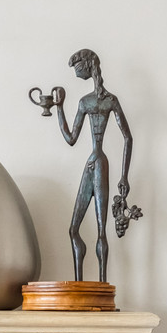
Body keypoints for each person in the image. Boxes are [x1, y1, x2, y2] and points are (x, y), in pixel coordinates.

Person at [53, 49, 132, 283]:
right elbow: (127, 138)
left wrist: (125, 177)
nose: (76, 72)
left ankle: (101, 286)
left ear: (87, 66)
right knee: (77, 229)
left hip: (97, 164)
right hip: (96, 163)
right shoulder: (96, 101)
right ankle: (82, 286)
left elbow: (71, 138)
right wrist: (59, 107)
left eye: (78, 68)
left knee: (100, 230)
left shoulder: (96, 101)